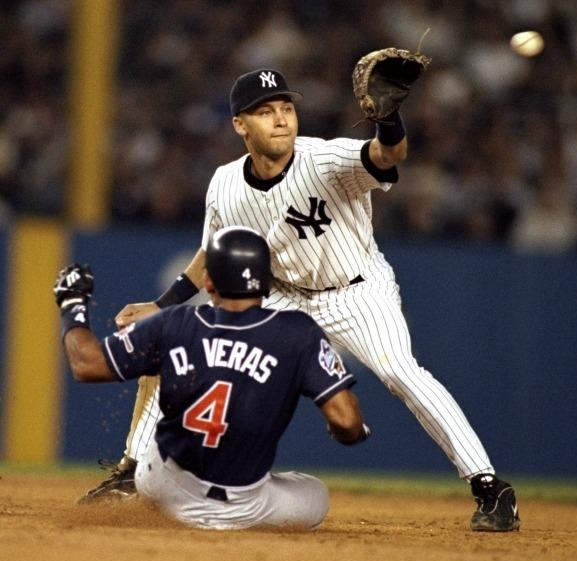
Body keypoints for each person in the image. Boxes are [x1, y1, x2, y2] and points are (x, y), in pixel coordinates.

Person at [84, 67, 520, 532]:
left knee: (400, 371)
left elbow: (387, 153)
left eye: (287, 108)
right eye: (266, 111)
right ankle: (133, 470)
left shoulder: (327, 160)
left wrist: (389, 119)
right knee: (180, 343)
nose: (281, 119)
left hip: (356, 292)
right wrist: (165, 304)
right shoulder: (225, 183)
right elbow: (212, 252)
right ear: (239, 125)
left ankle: (490, 486)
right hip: (284, 296)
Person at [54, 226, 370, 530]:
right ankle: (223, 522)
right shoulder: (297, 334)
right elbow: (345, 420)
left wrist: (72, 304)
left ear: (207, 281)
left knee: (163, 367)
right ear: (267, 283)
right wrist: (350, 434)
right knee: (316, 494)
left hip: (163, 485)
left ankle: (134, 479)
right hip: (247, 506)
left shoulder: (175, 323)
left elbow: (86, 364)